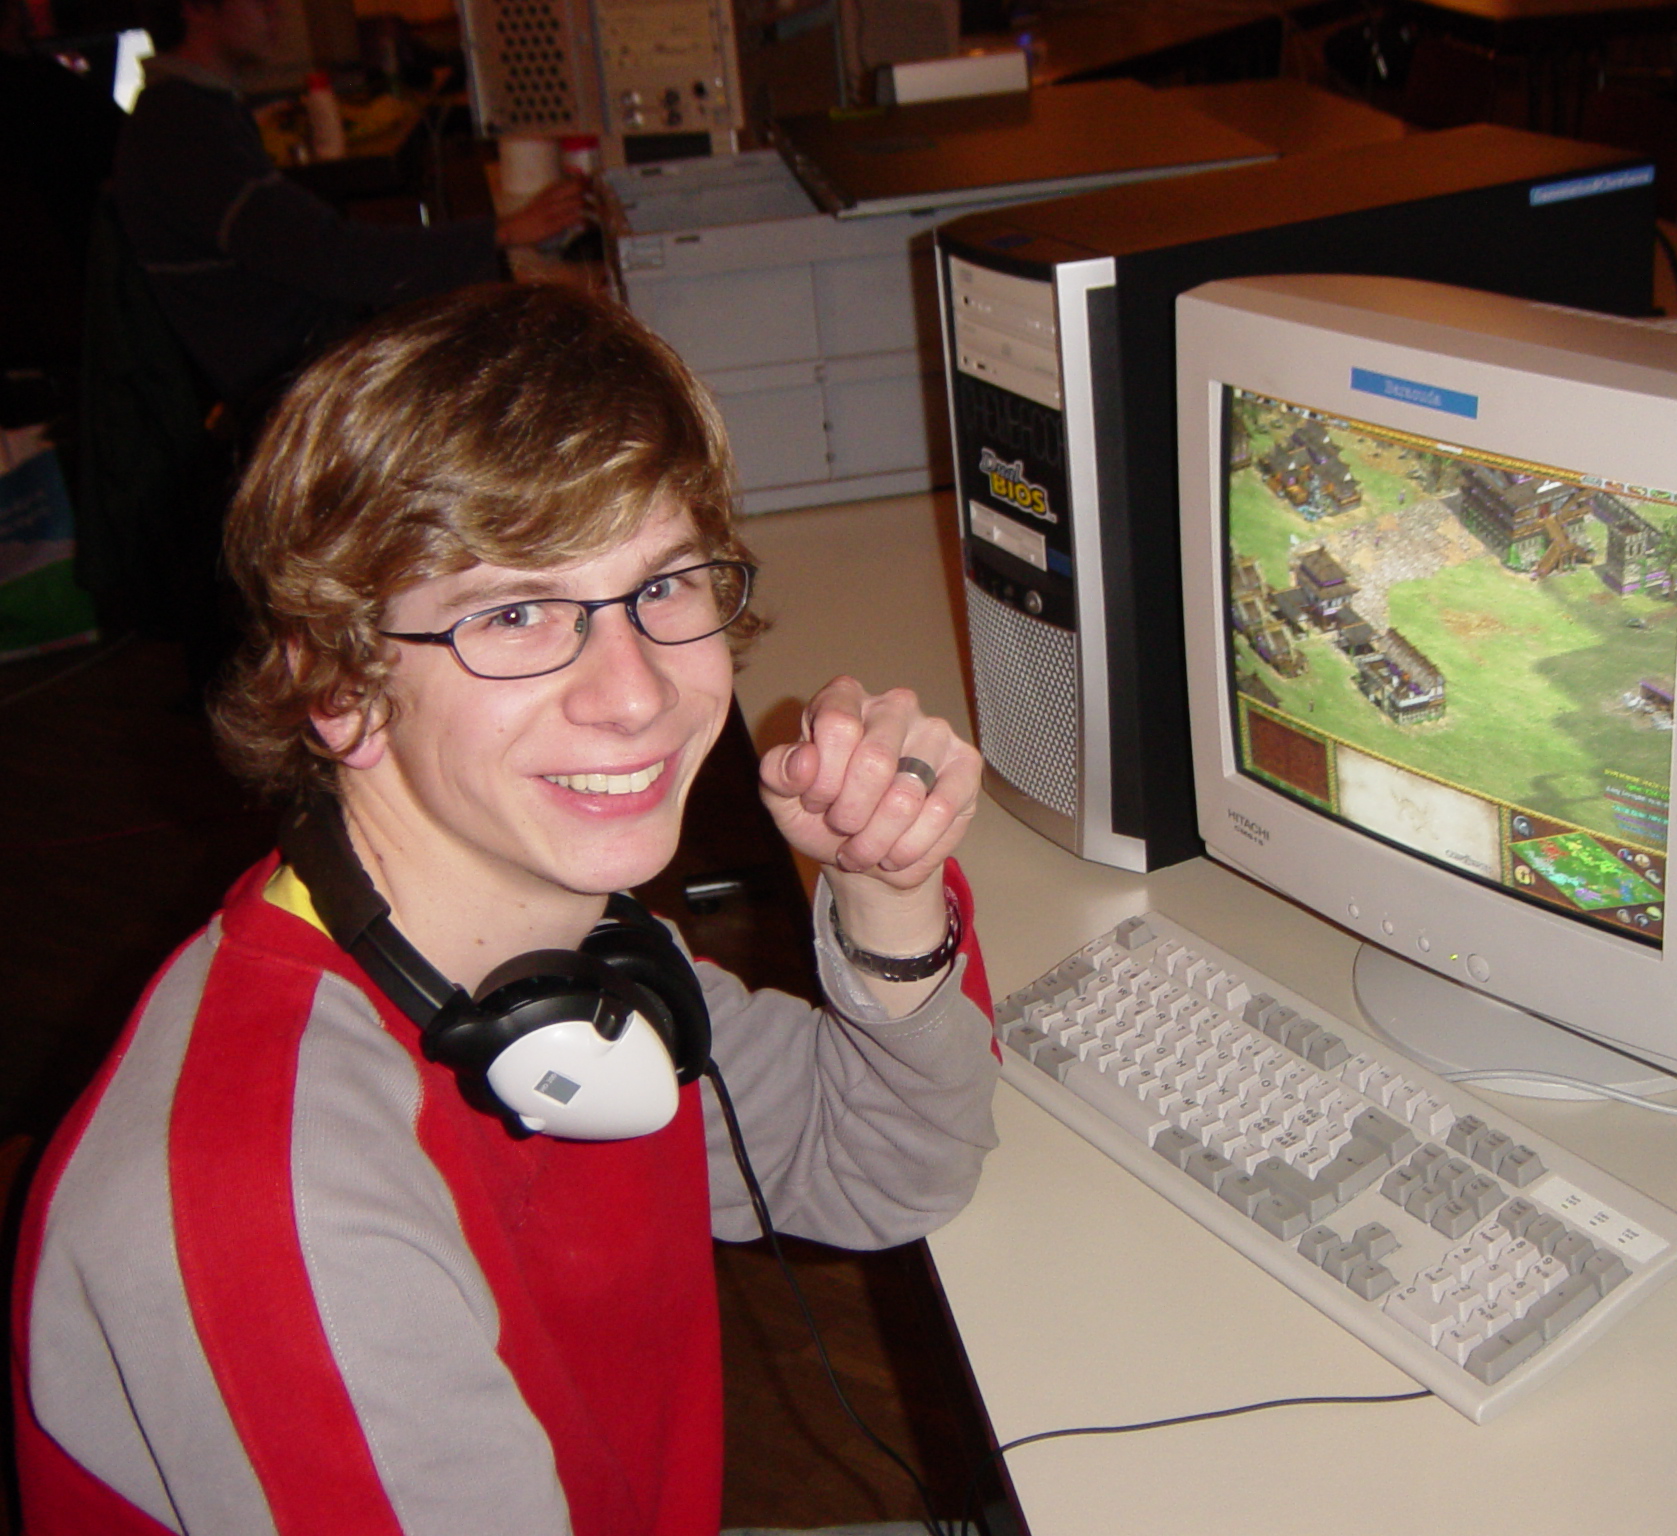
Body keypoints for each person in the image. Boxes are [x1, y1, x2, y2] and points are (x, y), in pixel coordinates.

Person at [11, 283, 999, 1534]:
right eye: (515, 613)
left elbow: (881, 1170)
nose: (633, 693)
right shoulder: (275, 1207)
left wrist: (882, 889)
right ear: (337, 687)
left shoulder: (566, 959)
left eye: (663, 585)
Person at [116, 0, 589, 414]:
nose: (275, 7)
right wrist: (501, 233)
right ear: (195, 7)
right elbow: (334, 256)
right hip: (301, 386)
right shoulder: (181, 128)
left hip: (312, 362)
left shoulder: (193, 110)